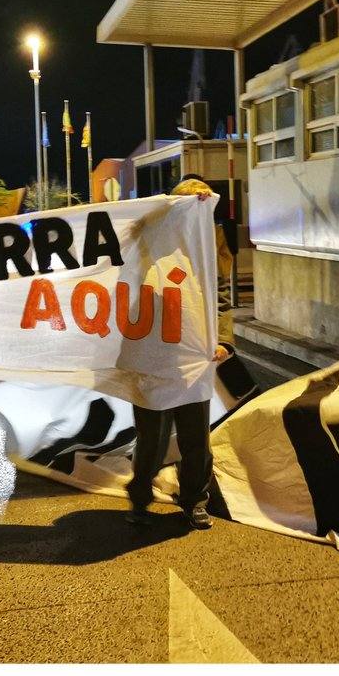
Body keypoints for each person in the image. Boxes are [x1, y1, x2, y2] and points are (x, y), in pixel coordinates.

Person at [124, 176, 232, 531]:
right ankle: (140, 498)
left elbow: (222, 293)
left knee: (195, 439)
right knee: (151, 440)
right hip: (151, 358)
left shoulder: (207, 245)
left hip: (192, 362)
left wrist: (224, 340)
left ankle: (194, 501)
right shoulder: (148, 237)